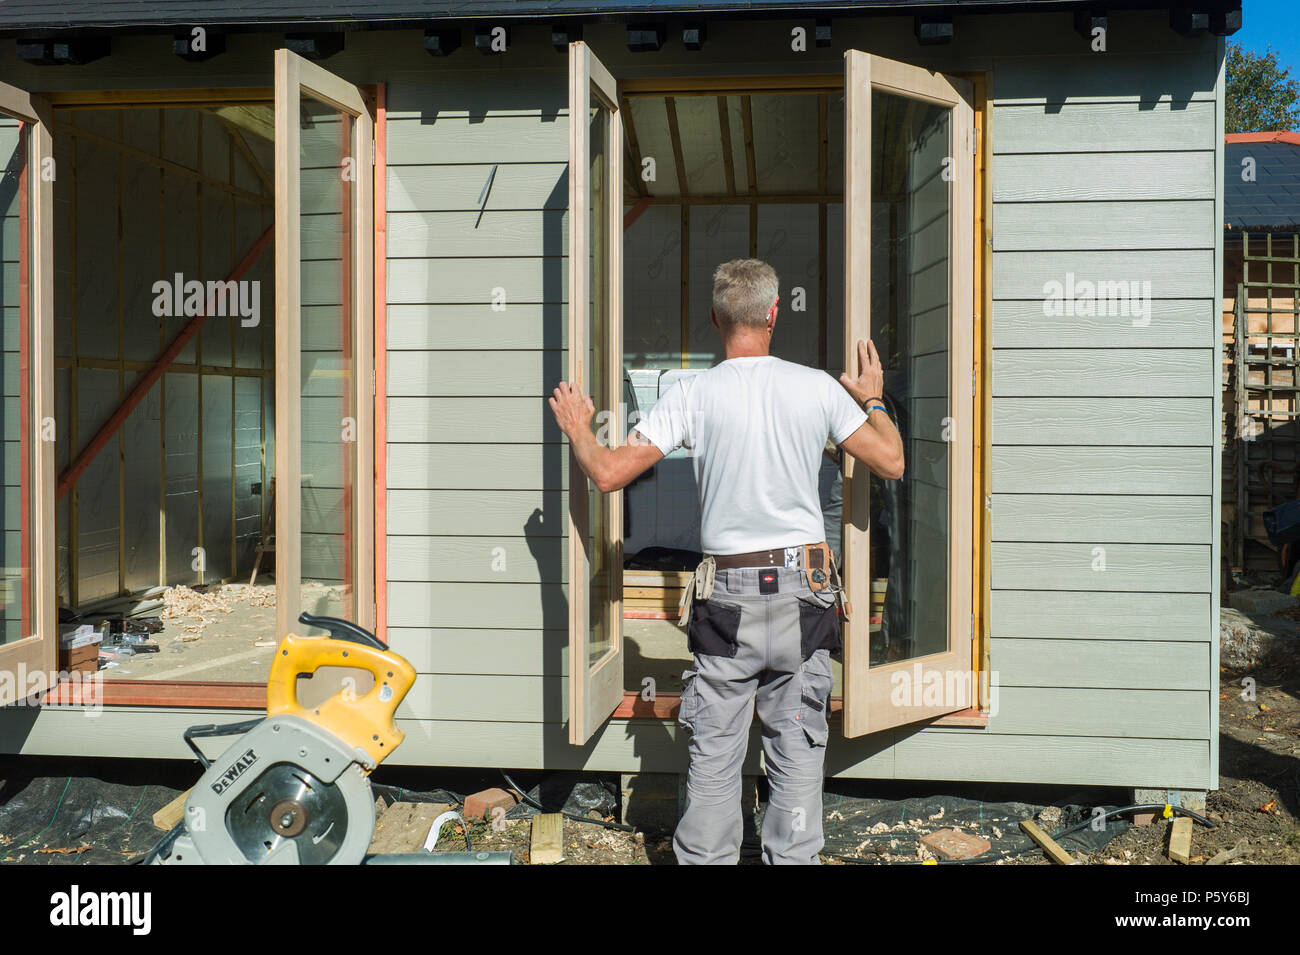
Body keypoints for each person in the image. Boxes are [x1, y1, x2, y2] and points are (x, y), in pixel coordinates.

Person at [548, 258, 904, 864]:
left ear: (716, 319)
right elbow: (891, 460)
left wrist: (581, 429)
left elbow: (608, 474)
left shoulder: (693, 394)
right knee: (795, 743)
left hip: (729, 596)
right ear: (772, 314)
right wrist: (870, 400)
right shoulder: (817, 387)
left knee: (714, 752)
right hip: (805, 588)